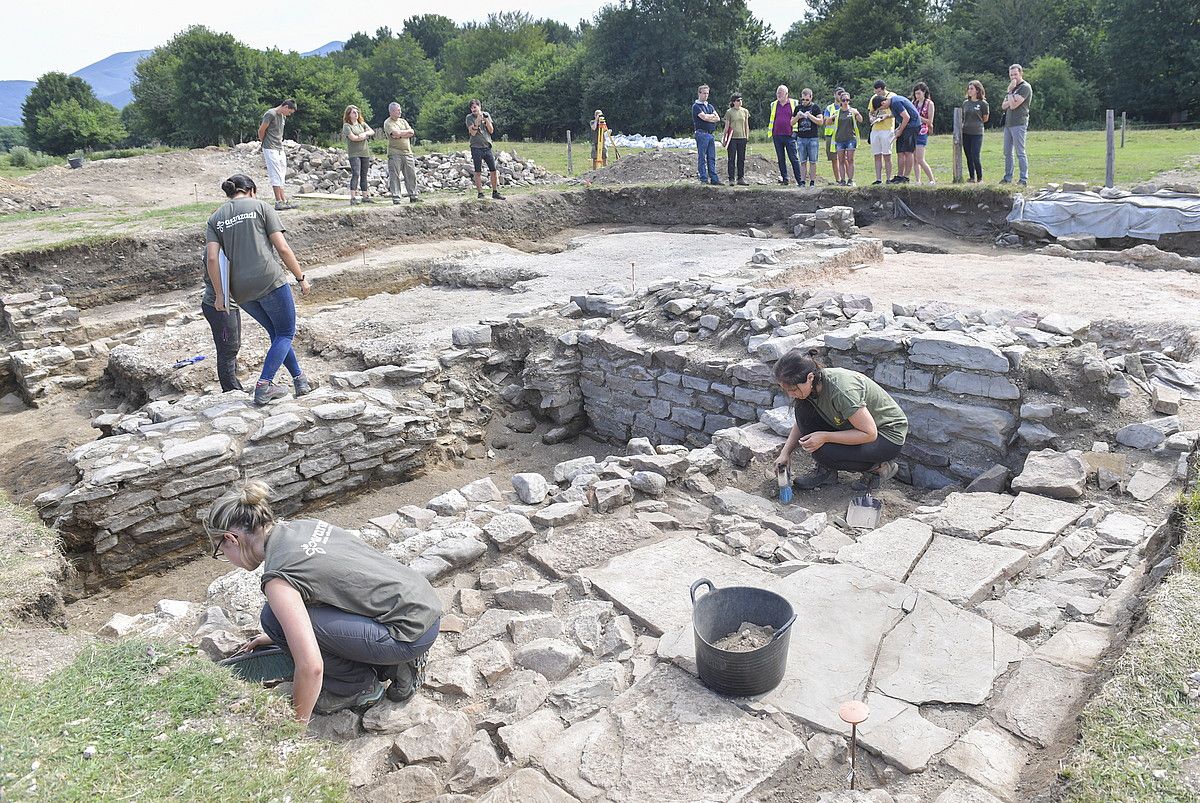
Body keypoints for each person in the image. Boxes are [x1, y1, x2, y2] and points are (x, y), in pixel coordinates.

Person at [207, 480, 442, 719]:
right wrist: (274, 638)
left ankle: (356, 687)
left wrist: (295, 727)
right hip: (424, 607)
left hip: (409, 633)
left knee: (273, 618)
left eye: (220, 551)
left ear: (231, 539)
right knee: (275, 619)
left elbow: (311, 667)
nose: (225, 556)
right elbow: (337, 588)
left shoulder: (278, 579)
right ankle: (395, 664)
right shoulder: (303, 527)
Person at [205, 174, 314, 406]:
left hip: (240, 290)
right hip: (269, 280)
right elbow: (282, 248)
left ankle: (299, 379)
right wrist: (300, 277)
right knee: (285, 333)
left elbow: (212, 259)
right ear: (251, 190)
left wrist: (221, 294)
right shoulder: (261, 207)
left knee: (277, 334)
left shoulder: (216, 218)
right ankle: (264, 384)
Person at [772, 349, 908, 491]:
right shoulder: (810, 390)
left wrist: (825, 437)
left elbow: (869, 433)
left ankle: (879, 468)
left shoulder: (841, 391)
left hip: (886, 436)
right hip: (855, 426)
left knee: (824, 452)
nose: (791, 394)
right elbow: (802, 423)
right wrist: (785, 453)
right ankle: (827, 472)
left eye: (793, 389)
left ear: (810, 377)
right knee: (802, 410)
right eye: (786, 389)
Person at [200, 249, 242, 393]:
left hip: (228, 305)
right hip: (218, 307)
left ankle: (233, 385)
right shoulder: (216, 251)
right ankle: (231, 389)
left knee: (234, 346)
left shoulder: (225, 246)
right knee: (228, 349)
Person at [257, 100, 297, 211]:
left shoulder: (282, 117)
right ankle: (278, 201)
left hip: (279, 147)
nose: (289, 114)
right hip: (270, 148)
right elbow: (261, 130)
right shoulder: (270, 114)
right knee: (275, 173)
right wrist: (264, 142)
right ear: (285, 106)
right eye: (289, 112)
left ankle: (284, 200)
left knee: (281, 173)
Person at [465, 99, 505, 200]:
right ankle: (480, 193)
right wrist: (478, 120)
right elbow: (473, 133)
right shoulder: (469, 118)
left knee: (493, 170)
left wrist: (486, 120)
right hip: (476, 147)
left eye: (475, 107)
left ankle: (495, 192)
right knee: (478, 171)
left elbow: (491, 130)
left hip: (487, 147)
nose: (473, 109)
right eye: (472, 108)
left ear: (479, 107)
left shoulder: (486, 114)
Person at [1001, 64, 1032, 186]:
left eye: (1015, 74)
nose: (1013, 77)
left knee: (1020, 151)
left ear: (1021, 74)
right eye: (1011, 75)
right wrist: (1011, 96)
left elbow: (1013, 105)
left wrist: (1010, 93)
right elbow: (1003, 105)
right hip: (1008, 123)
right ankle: (1007, 177)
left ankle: (1023, 179)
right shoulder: (1012, 88)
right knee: (1007, 152)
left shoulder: (1025, 87)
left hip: (1019, 123)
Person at [882, 89, 921, 183]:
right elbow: (900, 116)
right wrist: (898, 128)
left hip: (912, 126)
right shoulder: (891, 105)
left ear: (883, 102)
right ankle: (900, 176)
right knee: (900, 152)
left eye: (881, 107)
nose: (883, 109)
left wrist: (900, 131)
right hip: (905, 126)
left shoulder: (896, 102)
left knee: (908, 152)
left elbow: (907, 117)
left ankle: (906, 177)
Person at [383, 103, 420, 204]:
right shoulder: (388, 122)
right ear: (391, 111)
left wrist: (401, 134)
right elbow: (394, 134)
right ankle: (396, 197)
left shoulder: (403, 121)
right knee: (395, 175)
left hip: (408, 152)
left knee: (411, 174)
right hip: (395, 153)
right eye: (397, 110)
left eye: (400, 110)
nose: (400, 112)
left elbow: (412, 132)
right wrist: (404, 133)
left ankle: (413, 195)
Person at [767, 85, 802, 186]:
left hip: (790, 134)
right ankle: (785, 179)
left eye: (781, 93)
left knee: (793, 158)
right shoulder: (773, 104)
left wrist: (795, 133)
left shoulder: (794, 103)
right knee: (781, 158)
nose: (779, 95)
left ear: (786, 94)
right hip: (777, 134)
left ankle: (799, 180)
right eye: (777, 93)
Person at [826, 92, 862, 186]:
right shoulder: (837, 113)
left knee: (850, 159)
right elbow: (827, 122)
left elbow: (861, 120)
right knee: (841, 160)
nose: (845, 102)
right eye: (843, 100)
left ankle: (850, 180)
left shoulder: (853, 111)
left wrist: (857, 113)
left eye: (847, 100)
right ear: (840, 101)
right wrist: (832, 117)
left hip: (851, 138)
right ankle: (842, 180)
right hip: (839, 139)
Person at [342, 106, 375, 205]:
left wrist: (364, 134)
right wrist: (363, 136)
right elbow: (353, 138)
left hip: (365, 152)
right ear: (349, 114)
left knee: (364, 174)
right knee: (356, 173)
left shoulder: (362, 124)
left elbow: (372, 131)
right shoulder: (347, 126)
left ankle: (365, 196)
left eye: (357, 112)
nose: (356, 114)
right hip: (354, 153)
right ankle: (353, 197)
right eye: (353, 112)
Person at [692, 84, 722, 186]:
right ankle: (703, 178)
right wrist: (710, 117)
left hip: (710, 134)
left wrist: (709, 117)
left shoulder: (709, 106)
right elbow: (703, 117)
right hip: (701, 133)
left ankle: (714, 179)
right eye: (704, 93)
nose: (706, 95)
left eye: (707, 93)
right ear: (699, 93)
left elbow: (717, 118)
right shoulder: (696, 106)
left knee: (711, 157)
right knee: (702, 157)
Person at [961, 81, 990, 183]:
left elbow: (985, 118)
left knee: (975, 155)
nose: (970, 91)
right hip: (965, 132)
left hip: (977, 132)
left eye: (972, 89)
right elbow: (963, 117)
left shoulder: (983, 103)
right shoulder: (965, 103)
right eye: (969, 89)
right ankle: (971, 177)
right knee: (968, 155)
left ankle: (980, 177)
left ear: (977, 90)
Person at [795, 88, 823, 187]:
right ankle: (802, 182)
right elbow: (791, 122)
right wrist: (797, 117)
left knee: (813, 161)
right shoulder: (798, 108)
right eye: (803, 99)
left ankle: (812, 182)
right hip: (801, 138)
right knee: (802, 161)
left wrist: (810, 116)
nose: (804, 102)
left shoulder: (816, 108)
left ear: (811, 98)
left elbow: (820, 121)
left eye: (807, 100)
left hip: (812, 138)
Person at [867, 82, 894, 185]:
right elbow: (871, 111)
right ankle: (878, 179)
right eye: (876, 91)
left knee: (887, 155)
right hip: (875, 129)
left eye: (879, 91)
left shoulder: (892, 96)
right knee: (877, 155)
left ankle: (888, 179)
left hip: (887, 129)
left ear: (884, 89)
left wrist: (886, 116)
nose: (877, 94)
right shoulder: (874, 98)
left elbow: (896, 112)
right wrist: (872, 118)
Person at [722, 93, 750, 185]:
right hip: (732, 138)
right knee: (731, 158)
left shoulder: (745, 111)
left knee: (741, 158)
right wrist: (724, 138)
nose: (740, 102)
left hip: (742, 137)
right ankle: (731, 179)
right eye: (738, 100)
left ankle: (741, 178)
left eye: (741, 100)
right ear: (733, 102)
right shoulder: (729, 112)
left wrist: (747, 136)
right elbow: (727, 126)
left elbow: (746, 124)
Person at [911, 83, 936, 184]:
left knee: (920, 158)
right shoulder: (914, 103)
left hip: (923, 131)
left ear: (924, 92)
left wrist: (918, 117)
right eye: (916, 93)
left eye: (919, 93)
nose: (917, 96)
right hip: (914, 131)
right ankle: (918, 180)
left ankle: (931, 180)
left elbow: (930, 121)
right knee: (915, 159)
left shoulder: (929, 104)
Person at [823, 88, 845, 184]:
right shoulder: (829, 108)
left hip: (843, 136)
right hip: (831, 136)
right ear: (834, 95)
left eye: (842, 94)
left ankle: (846, 179)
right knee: (834, 159)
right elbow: (825, 121)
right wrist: (834, 117)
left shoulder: (846, 107)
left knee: (845, 159)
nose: (840, 96)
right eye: (838, 94)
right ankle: (838, 180)